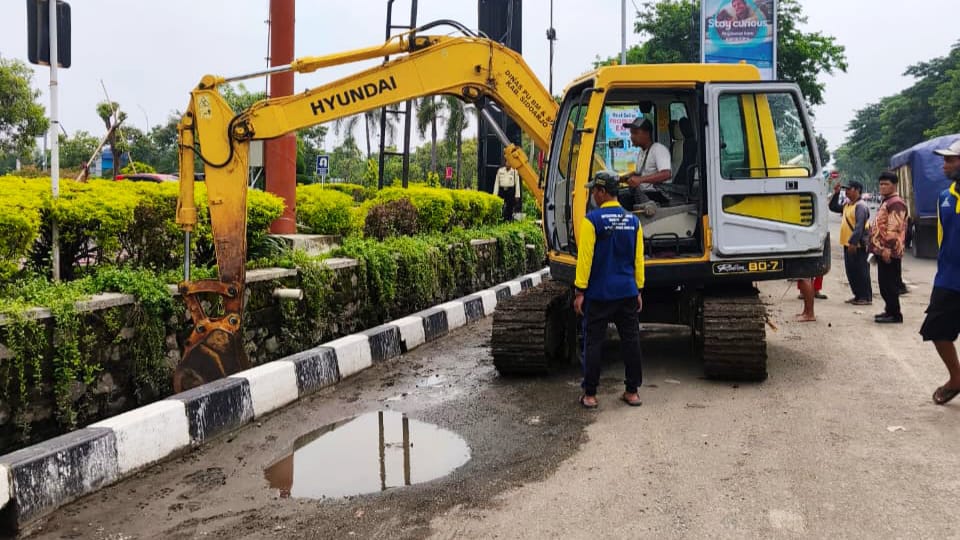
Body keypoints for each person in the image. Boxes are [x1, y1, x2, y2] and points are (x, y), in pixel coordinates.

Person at [573, 170, 645, 409]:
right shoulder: (634, 221)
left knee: (593, 342)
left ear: (603, 192)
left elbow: (585, 260)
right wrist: (638, 289)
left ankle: (591, 395)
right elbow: (638, 260)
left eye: (595, 189)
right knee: (631, 341)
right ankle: (632, 392)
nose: (593, 193)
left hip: (599, 293)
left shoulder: (592, 221)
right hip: (626, 291)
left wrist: (580, 291)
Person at [922, 140, 960, 405]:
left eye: (950, 160)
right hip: (949, 279)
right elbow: (942, 238)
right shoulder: (945, 197)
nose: (944, 165)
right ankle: (957, 379)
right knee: (936, 330)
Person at [869, 171, 909, 323]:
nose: (882, 187)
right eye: (881, 184)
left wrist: (887, 248)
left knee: (889, 284)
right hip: (882, 249)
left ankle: (895, 314)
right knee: (884, 283)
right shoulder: (887, 201)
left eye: (886, 184)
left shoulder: (896, 202)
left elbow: (894, 227)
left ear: (894, 185)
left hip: (890, 251)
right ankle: (889, 310)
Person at [829, 180, 872, 305]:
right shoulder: (847, 205)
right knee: (851, 272)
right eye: (845, 189)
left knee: (861, 271)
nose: (846, 191)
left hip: (857, 246)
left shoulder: (861, 206)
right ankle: (857, 295)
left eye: (849, 189)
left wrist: (853, 243)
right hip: (848, 244)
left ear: (857, 190)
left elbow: (859, 227)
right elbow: (833, 207)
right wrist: (836, 193)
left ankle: (865, 297)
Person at [618, 118, 672, 210]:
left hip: (658, 194)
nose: (631, 137)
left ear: (646, 134)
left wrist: (640, 180)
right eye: (631, 133)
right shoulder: (641, 152)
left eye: (635, 133)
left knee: (622, 201)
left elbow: (666, 174)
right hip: (644, 193)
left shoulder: (658, 149)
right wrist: (626, 177)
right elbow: (641, 174)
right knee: (616, 196)